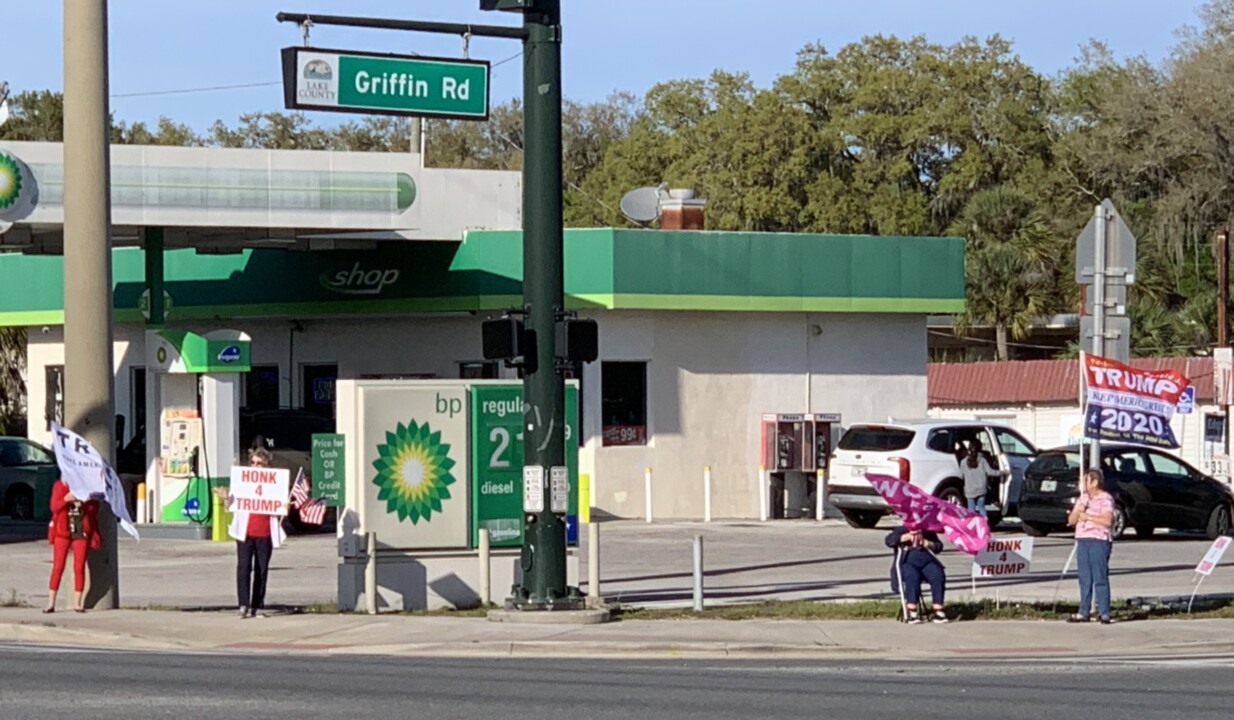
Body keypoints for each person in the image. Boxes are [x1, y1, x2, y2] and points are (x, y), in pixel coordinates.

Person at [214, 447, 286, 619]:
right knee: (243, 568)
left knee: (261, 570)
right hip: (245, 533)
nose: (255, 466)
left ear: (267, 466)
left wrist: (284, 507)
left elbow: (278, 510)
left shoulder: (274, 485)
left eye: (259, 463)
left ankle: (257, 605)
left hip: (265, 534)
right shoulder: (243, 483)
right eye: (253, 463)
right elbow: (231, 507)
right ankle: (243, 604)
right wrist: (225, 497)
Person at [45, 477, 102, 613]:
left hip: (81, 530)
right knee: (58, 566)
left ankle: (78, 603)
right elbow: (54, 506)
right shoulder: (59, 485)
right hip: (63, 531)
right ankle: (50, 602)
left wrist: (82, 503)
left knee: (79, 566)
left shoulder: (87, 485)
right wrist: (66, 499)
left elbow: (94, 508)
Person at [1067, 467, 1115, 624]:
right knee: (1084, 577)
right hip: (1083, 538)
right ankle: (1084, 610)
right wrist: (1077, 512)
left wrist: (1087, 516)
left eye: (1085, 480)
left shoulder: (1105, 499)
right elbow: (1071, 521)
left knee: (1099, 576)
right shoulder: (1083, 498)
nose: (1081, 483)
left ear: (1094, 482)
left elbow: (1107, 521)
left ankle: (1104, 611)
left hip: (1099, 539)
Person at [885, 525, 949, 624]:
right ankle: (912, 610)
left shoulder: (927, 530)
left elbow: (939, 546)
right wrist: (907, 536)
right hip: (907, 563)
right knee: (912, 576)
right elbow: (889, 541)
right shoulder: (901, 529)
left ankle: (938, 609)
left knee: (937, 573)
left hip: (926, 562)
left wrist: (928, 543)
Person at [958, 441, 1004, 518]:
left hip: (970, 490)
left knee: (971, 510)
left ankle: (972, 526)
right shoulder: (982, 461)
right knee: (982, 508)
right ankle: (985, 525)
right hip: (981, 489)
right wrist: (1003, 472)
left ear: (968, 450)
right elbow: (990, 472)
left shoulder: (963, 462)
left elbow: (961, 475)